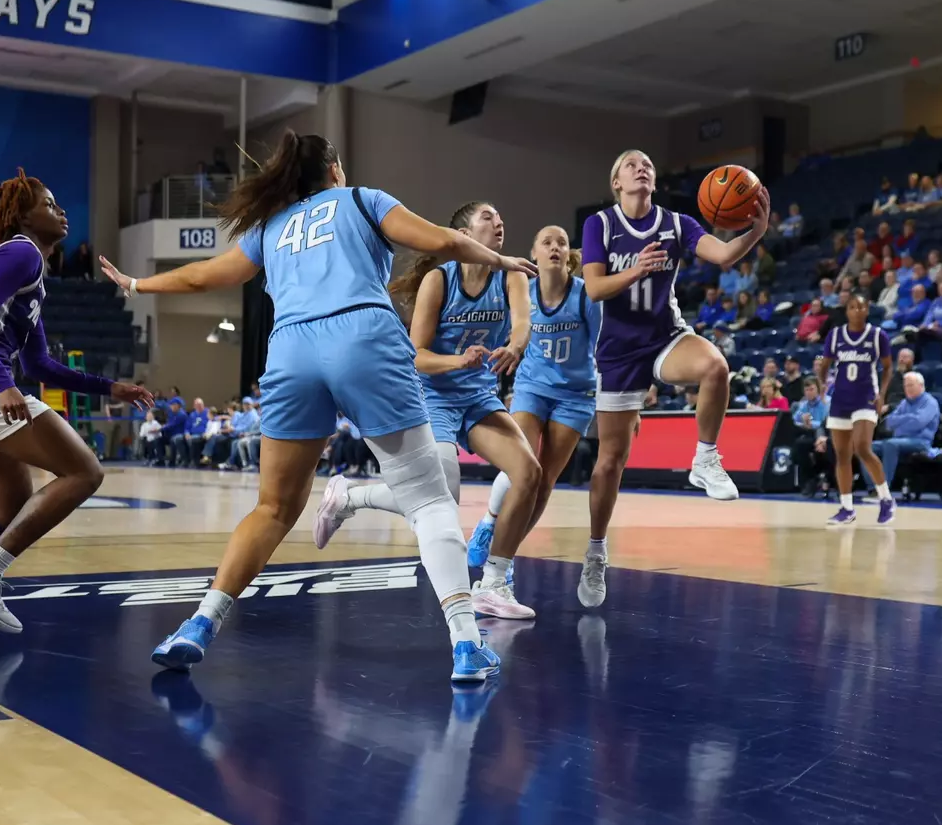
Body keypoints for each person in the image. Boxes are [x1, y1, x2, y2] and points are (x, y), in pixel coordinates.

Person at [100, 132, 534, 680]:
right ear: (334, 170)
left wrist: (136, 283)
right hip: (362, 336)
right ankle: (467, 643)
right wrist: (498, 257)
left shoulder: (271, 228)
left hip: (290, 350)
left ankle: (199, 623)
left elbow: (200, 274)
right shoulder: (361, 199)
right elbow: (443, 242)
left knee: (274, 508)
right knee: (431, 499)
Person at [0, 170, 152, 633]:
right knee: (85, 472)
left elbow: (39, 364)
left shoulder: (31, 271)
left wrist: (109, 387)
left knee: (12, 498)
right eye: (49, 203)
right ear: (22, 216)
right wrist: (2, 383)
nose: (60, 211)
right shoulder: (21, 251)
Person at [308, 198, 542, 619]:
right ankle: (350, 498)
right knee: (442, 502)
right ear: (466, 236)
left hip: (479, 398)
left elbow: (523, 322)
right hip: (432, 396)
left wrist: (515, 346)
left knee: (529, 473)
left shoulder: (509, 277)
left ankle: (492, 583)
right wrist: (458, 360)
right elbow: (415, 356)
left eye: (501, 216)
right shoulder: (439, 280)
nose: (499, 222)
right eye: (488, 217)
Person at [576, 149, 769, 607]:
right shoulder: (599, 225)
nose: (641, 168)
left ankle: (704, 459)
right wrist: (635, 269)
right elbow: (595, 287)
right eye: (630, 165)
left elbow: (722, 255)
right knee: (609, 463)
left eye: (647, 164)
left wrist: (755, 231)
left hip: (664, 336)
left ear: (654, 181)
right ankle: (596, 551)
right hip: (618, 352)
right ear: (616, 183)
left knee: (715, 365)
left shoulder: (677, 223)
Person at [467, 224, 600, 575]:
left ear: (568, 256)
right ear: (535, 254)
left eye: (562, 242)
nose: (555, 246)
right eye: (547, 242)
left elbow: (605, 348)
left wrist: (623, 400)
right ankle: (488, 522)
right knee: (521, 466)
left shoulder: (586, 296)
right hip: (532, 388)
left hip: (575, 395)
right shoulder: (522, 293)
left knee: (544, 484)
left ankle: (505, 554)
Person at [823, 293, 894, 525]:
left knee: (862, 448)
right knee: (842, 455)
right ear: (847, 311)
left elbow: (887, 367)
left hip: (866, 398)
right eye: (852, 307)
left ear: (867, 310)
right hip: (840, 399)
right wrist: (824, 386)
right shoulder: (835, 336)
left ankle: (885, 499)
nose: (856, 310)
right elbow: (824, 365)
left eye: (861, 307)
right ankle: (847, 508)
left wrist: (882, 394)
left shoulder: (877, 335)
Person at [873, 371, 938, 488]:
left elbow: (918, 422)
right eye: (906, 386)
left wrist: (901, 423)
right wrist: (909, 418)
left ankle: (883, 488)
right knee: (867, 448)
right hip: (900, 440)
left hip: (921, 441)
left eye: (911, 385)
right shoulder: (904, 403)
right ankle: (872, 487)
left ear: (921, 385)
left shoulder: (930, 402)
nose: (907, 389)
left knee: (890, 444)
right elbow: (889, 421)